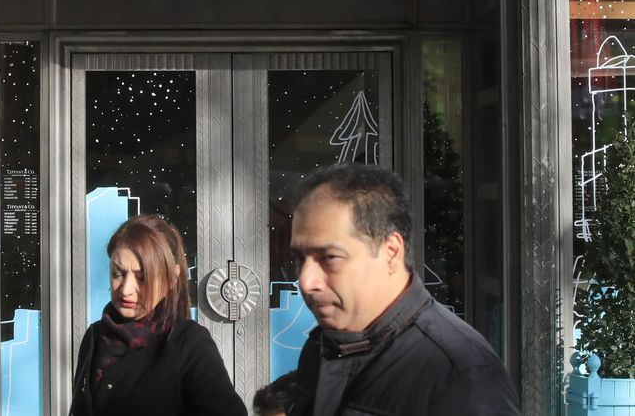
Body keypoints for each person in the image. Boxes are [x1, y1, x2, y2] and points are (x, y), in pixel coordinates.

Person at [287, 163, 520, 416]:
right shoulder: (322, 346)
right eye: (299, 258)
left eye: (329, 258)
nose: (306, 281)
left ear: (391, 252)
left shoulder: (461, 376)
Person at [69, 214, 247, 416]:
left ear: (171, 277)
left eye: (142, 277)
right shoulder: (95, 336)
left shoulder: (189, 343)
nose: (126, 289)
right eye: (117, 274)